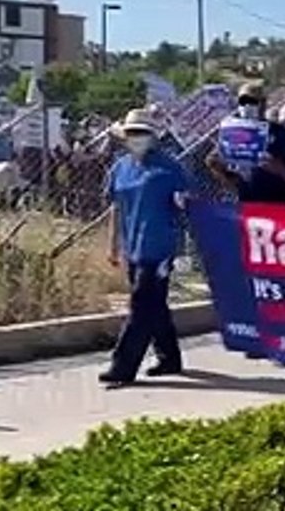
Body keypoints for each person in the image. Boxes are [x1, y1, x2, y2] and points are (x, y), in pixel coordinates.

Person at [99, 109, 190, 386]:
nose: (136, 137)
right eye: (131, 133)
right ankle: (169, 357)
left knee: (141, 304)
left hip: (159, 246)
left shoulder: (170, 168)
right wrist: (113, 244)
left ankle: (123, 365)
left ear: (153, 136)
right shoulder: (121, 168)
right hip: (133, 246)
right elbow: (116, 207)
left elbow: (188, 204)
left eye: (142, 132)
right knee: (155, 305)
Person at [205, 82, 285, 204]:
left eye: (252, 101)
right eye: (243, 101)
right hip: (247, 210)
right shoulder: (232, 133)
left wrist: (278, 167)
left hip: (278, 209)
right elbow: (231, 181)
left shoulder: (283, 134)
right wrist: (218, 168)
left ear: (263, 104)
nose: (247, 106)